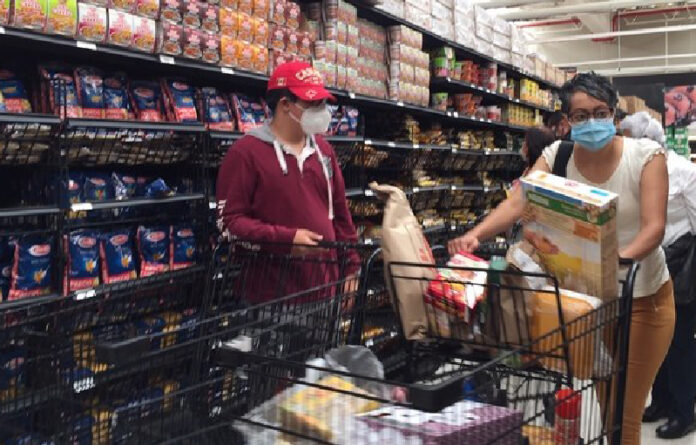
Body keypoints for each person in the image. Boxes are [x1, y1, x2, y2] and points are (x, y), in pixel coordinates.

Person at [450, 72, 674, 445]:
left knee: (624, 411)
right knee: (605, 401)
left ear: (614, 115)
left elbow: (654, 228)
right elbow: (519, 200)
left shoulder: (645, 156)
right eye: (581, 116)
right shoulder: (558, 156)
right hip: (590, 304)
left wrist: (613, 259)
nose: (591, 122)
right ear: (567, 121)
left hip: (644, 299)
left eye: (600, 112)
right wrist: (475, 235)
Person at [216, 61, 360, 303]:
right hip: (269, 300)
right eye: (313, 103)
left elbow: (341, 217)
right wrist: (285, 240)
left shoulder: (324, 151)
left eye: (323, 103)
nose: (322, 110)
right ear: (285, 105)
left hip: (325, 294)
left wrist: (351, 270)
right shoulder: (246, 153)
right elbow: (229, 224)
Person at [621, 112, 696, 439]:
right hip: (652, 264)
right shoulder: (636, 173)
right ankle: (661, 401)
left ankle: (684, 410)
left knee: (680, 342)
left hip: (683, 267)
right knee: (656, 338)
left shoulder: (684, 171)